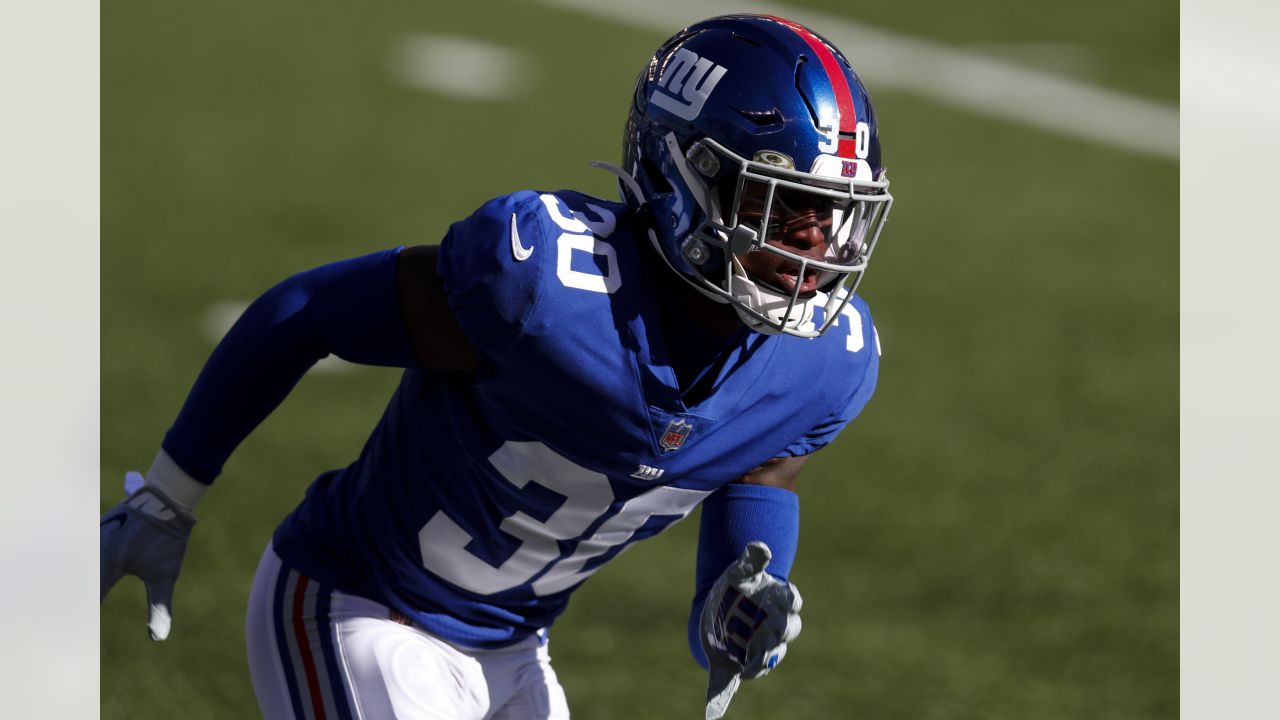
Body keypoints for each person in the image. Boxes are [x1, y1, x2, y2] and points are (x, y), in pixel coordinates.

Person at [100, 13, 893, 720]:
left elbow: (762, 479)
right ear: (686, 180)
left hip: (516, 652)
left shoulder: (824, 364)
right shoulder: (545, 288)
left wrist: (732, 609)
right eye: (785, 208)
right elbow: (306, 311)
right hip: (364, 609)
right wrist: (168, 497)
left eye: (839, 216)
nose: (817, 248)